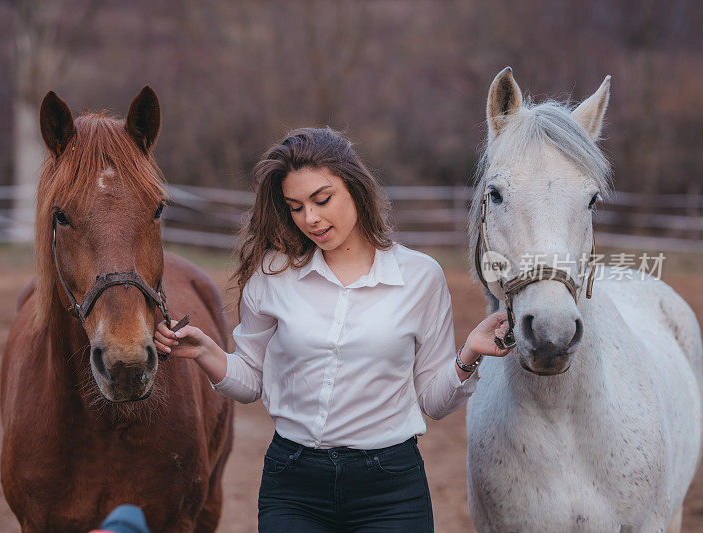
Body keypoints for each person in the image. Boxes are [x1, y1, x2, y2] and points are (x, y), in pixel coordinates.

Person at [154, 127, 511, 531]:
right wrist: (206, 351)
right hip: (293, 486)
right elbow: (250, 380)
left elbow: (433, 400)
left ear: (355, 187)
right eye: (295, 207)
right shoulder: (273, 275)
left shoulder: (420, 277)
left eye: (322, 199)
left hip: (391, 489)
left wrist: (468, 355)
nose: (311, 218)